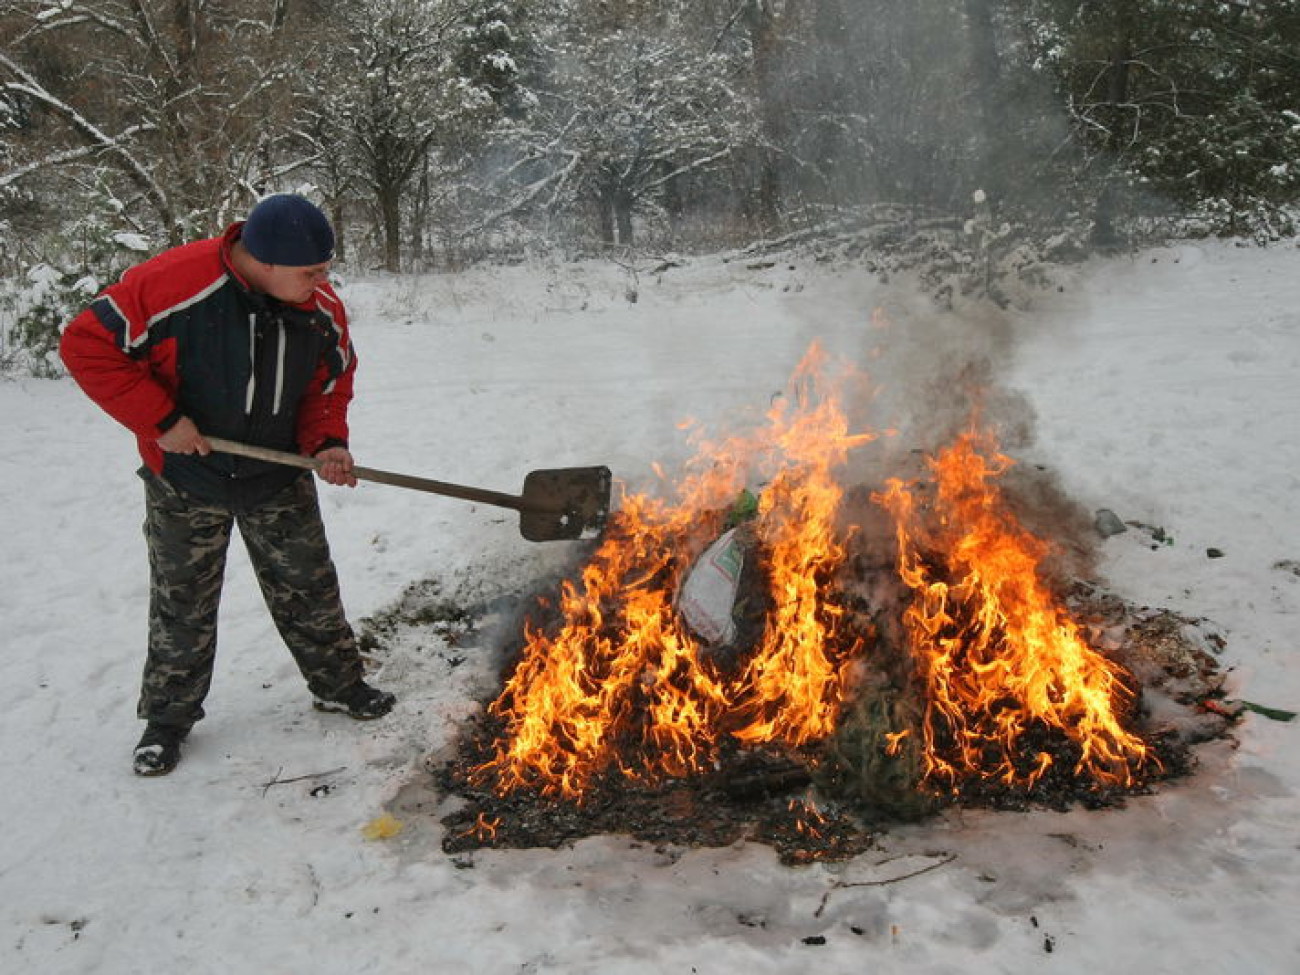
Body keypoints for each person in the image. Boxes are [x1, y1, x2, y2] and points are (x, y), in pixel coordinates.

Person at [60, 193, 395, 777]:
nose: (323, 282)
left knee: (309, 587)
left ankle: (340, 684)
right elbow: (86, 345)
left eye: (324, 269)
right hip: (188, 476)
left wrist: (326, 443)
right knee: (182, 603)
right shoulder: (170, 285)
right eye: (311, 271)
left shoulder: (319, 308)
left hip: (277, 471)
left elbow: (329, 382)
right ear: (264, 260)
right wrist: (162, 421)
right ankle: (167, 720)